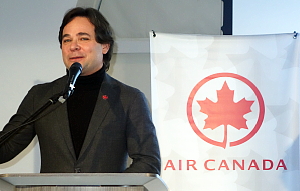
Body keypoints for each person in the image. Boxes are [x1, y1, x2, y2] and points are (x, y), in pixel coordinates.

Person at [0, 7, 161, 174]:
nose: (74, 46)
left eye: (83, 38)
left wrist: (109, 188)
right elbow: (5, 148)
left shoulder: (129, 99)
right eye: (67, 40)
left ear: (105, 46)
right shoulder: (41, 96)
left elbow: (148, 162)